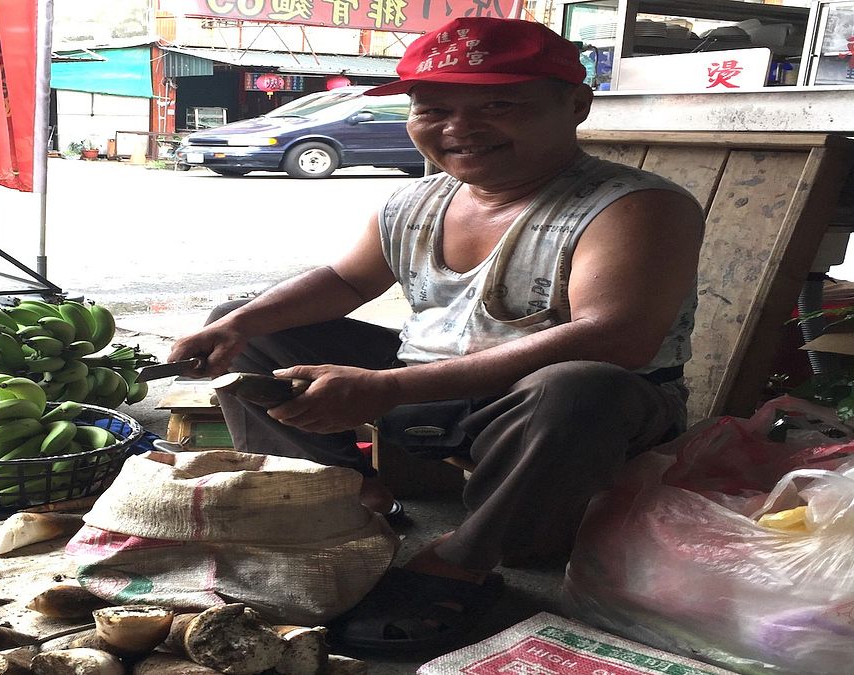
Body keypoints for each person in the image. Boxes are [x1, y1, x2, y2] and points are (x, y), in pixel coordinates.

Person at [167, 16, 704, 651]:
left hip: (557, 417)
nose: (460, 128)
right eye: (434, 107)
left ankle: (465, 557)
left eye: (499, 104)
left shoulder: (633, 204)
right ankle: (342, 496)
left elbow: (614, 338)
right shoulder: (414, 201)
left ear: (576, 105)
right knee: (247, 332)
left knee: (581, 387)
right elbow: (345, 281)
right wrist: (237, 323)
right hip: (425, 385)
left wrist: (386, 388)